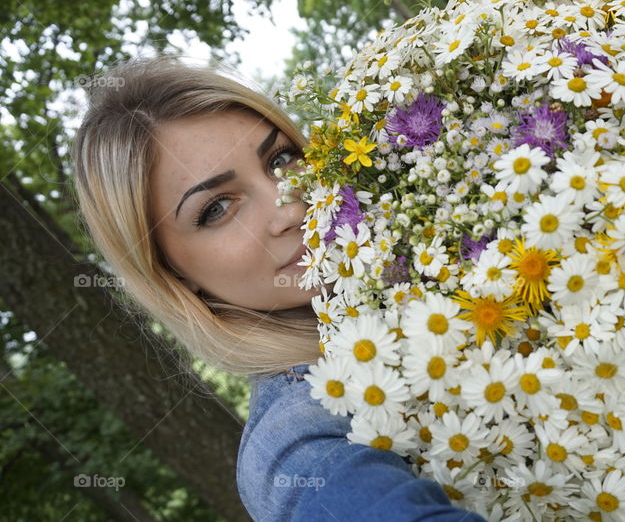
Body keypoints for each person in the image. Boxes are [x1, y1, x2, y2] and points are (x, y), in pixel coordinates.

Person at [71, 55, 486, 521]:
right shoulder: (294, 445)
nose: (291, 206)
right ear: (171, 272)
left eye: (280, 159)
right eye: (216, 208)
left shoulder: (457, 244)